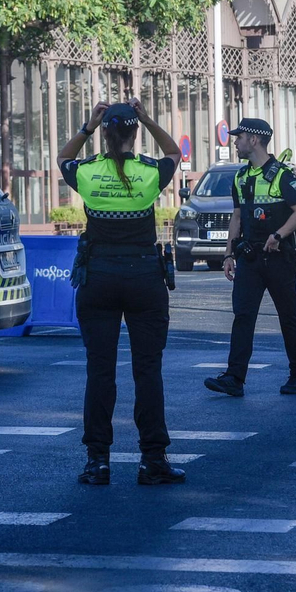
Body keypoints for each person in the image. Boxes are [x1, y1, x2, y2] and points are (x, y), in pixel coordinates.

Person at [58, 99, 184, 486]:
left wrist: (87, 127)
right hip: (144, 277)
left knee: (100, 371)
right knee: (147, 370)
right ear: (133, 133)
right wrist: (147, 117)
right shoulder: (150, 173)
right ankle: (152, 460)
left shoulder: (88, 172)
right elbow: (174, 152)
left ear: (106, 133)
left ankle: (98, 461)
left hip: (98, 277)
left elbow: (63, 159)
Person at [205, 118, 296, 398]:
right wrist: (228, 254)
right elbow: (237, 217)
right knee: (243, 316)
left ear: (253, 140)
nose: (235, 142)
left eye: (239, 137)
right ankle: (234, 378)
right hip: (249, 258)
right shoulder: (240, 177)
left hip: (279, 258)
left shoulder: (281, 175)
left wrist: (278, 235)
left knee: (288, 316)